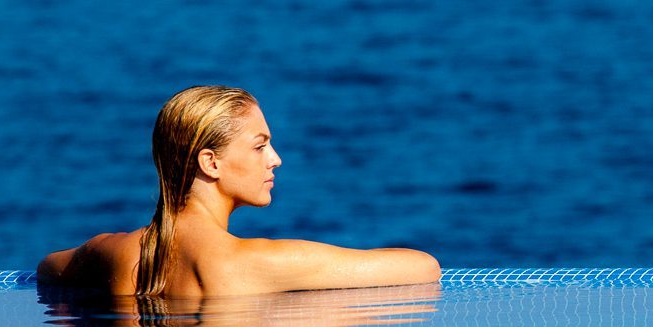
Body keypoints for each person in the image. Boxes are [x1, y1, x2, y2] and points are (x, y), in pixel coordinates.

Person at [37, 85, 439, 299]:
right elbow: (423, 268)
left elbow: (46, 270)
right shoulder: (253, 262)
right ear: (210, 163)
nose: (275, 159)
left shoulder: (114, 252)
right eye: (260, 145)